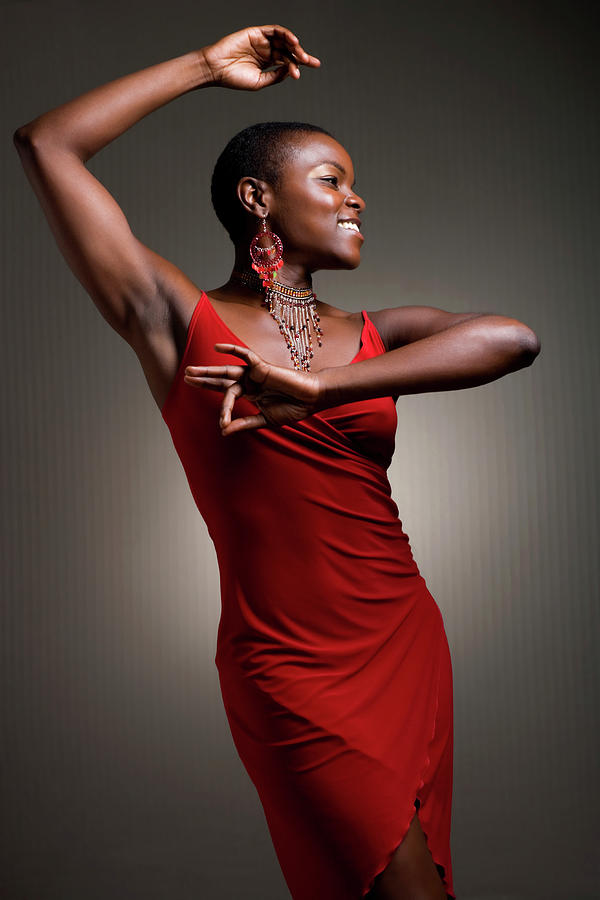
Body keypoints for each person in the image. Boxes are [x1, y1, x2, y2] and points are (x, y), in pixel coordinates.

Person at [13, 24, 541, 900]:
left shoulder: (379, 332)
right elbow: (46, 145)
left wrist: (324, 389)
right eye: (332, 180)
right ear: (259, 196)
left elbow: (513, 340)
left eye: (355, 184)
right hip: (289, 663)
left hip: (401, 638)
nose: (357, 200)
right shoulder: (176, 317)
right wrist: (202, 69)